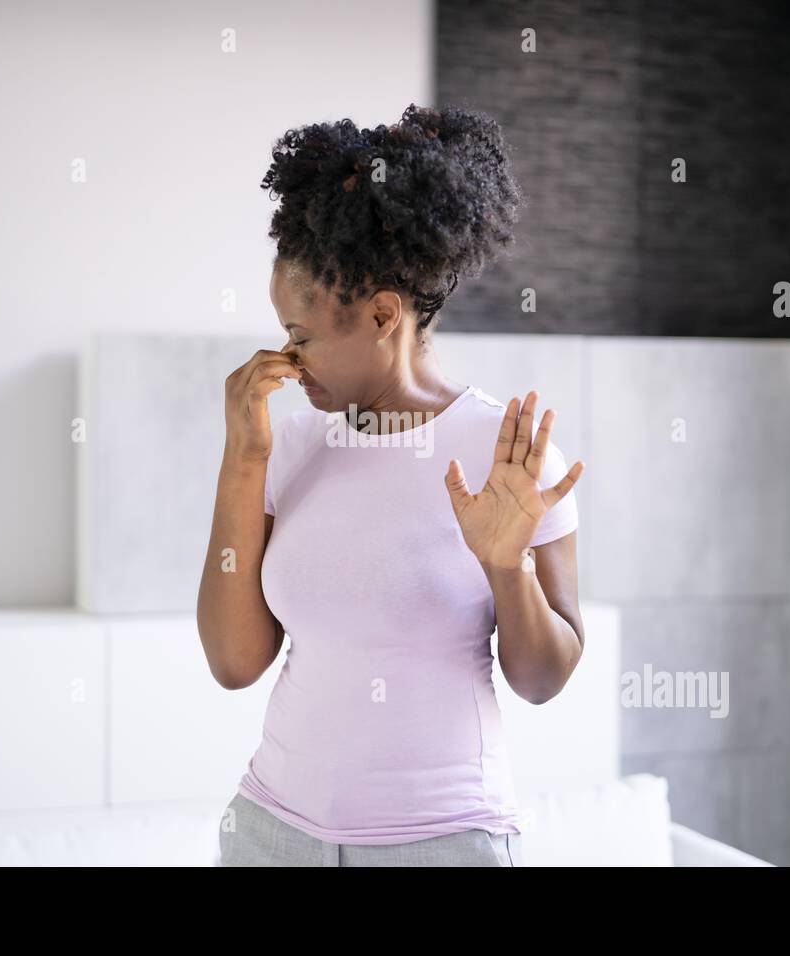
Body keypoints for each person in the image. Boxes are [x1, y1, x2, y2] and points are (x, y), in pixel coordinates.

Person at [197, 104, 585, 866]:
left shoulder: (506, 451)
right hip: (273, 832)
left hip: (442, 843)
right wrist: (242, 457)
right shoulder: (287, 446)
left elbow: (543, 680)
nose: (288, 356)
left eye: (301, 336)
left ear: (382, 315)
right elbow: (234, 663)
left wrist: (508, 569)